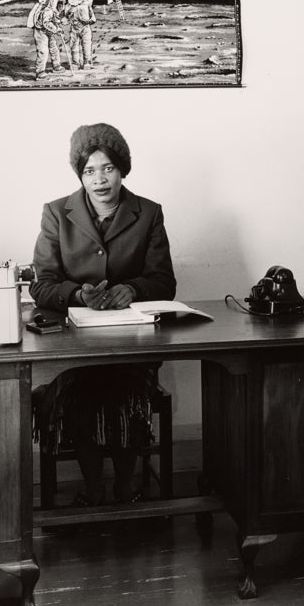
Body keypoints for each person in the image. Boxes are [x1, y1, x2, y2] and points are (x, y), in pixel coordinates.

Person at [30, 123, 176, 506]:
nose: (99, 179)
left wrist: (134, 289)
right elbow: (41, 283)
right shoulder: (56, 214)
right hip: (76, 345)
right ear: (79, 174)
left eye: (108, 168)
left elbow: (164, 282)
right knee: (83, 394)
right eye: (89, 171)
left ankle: (125, 487)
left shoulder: (148, 213)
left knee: (125, 392)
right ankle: (93, 489)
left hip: (133, 344)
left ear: (122, 169)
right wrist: (77, 294)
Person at [31, 0, 70, 80]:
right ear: (54, 3)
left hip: (49, 31)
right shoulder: (48, 11)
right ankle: (40, 72)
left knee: (54, 49)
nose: (60, 7)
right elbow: (47, 23)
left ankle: (56, 66)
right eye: (59, 5)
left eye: (62, 5)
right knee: (43, 51)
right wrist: (56, 29)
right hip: (41, 32)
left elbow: (55, 21)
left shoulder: (54, 11)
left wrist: (58, 28)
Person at [65, 0, 99, 70]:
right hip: (74, 29)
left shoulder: (86, 2)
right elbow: (65, 17)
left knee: (87, 45)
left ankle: (87, 62)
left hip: (86, 28)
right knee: (74, 46)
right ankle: (75, 63)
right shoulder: (69, 6)